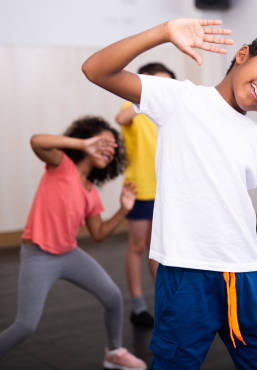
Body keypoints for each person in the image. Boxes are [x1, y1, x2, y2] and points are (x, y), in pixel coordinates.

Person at [82, 18, 257, 369]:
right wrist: (163, 32)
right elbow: (96, 69)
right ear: (243, 54)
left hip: (245, 274)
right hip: (185, 273)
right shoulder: (180, 98)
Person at [0, 117, 146, 370]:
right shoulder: (60, 165)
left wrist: (123, 209)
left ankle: (114, 352)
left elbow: (99, 233)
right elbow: (36, 141)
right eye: (104, 142)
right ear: (87, 139)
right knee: (26, 325)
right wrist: (82, 143)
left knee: (112, 296)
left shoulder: (90, 192)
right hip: (38, 255)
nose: (109, 150)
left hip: (69, 254)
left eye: (113, 148)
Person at [115, 62, 175, 328]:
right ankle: (138, 306)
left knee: (158, 250)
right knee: (137, 246)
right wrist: (144, 96)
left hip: (166, 189)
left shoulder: (171, 112)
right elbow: (120, 119)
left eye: (168, 83)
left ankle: (166, 304)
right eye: (158, 82)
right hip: (139, 188)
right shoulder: (132, 108)